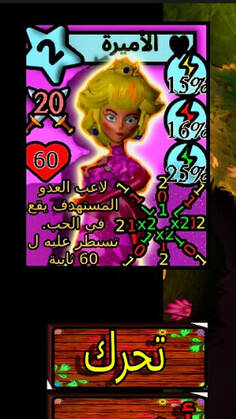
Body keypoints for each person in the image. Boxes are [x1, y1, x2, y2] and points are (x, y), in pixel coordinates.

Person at [73, 57, 165, 265]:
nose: (120, 126)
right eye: (111, 117)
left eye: (130, 119)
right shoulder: (103, 161)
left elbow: (140, 179)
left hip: (116, 230)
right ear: (96, 114)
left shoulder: (125, 164)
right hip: (92, 230)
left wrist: (100, 198)